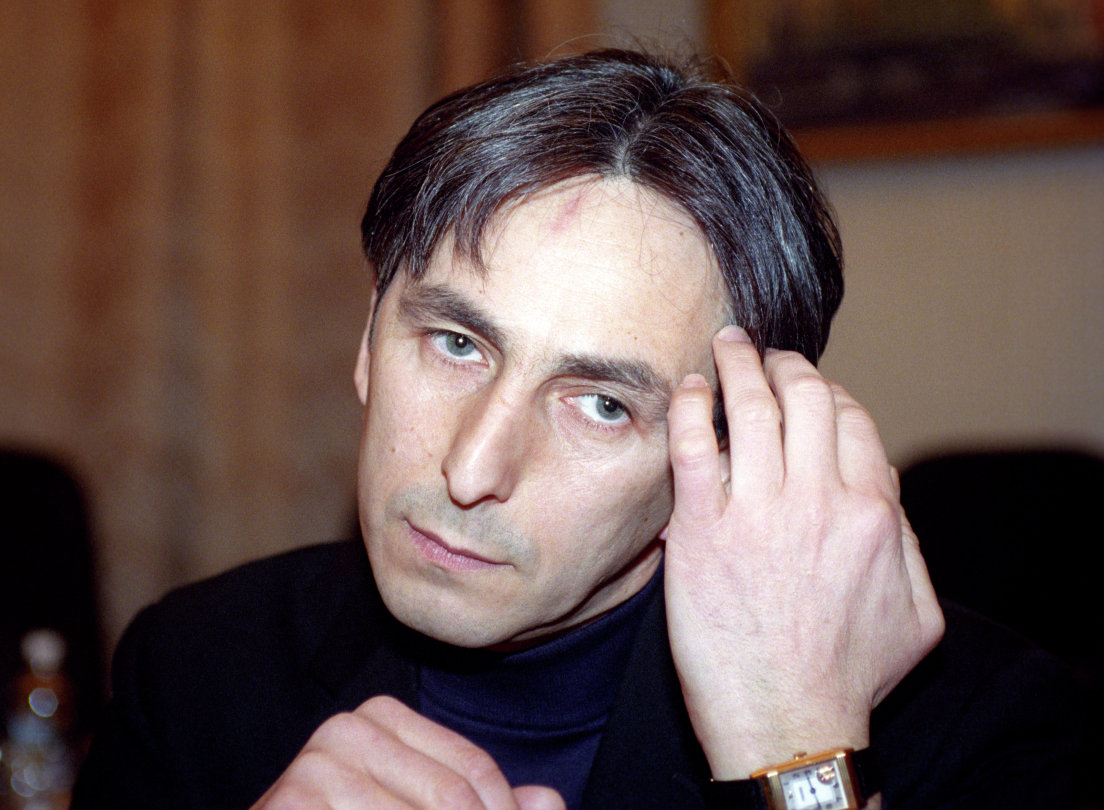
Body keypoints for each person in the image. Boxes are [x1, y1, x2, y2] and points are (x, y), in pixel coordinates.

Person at [71, 49, 1078, 810]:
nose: (472, 468)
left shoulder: (978, 727)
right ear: (370, 337)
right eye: (457, 343)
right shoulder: (196, 670)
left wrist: (797, 759)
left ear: (731, 450)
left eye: (602, 404)